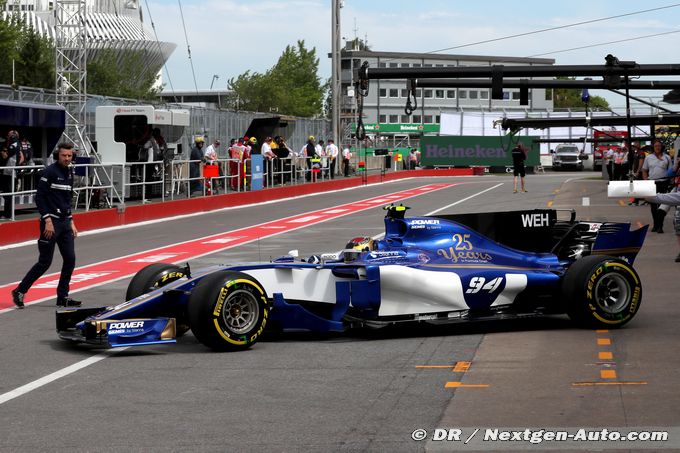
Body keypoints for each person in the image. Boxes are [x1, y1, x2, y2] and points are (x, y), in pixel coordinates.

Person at [11, 143, 81, 309]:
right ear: (58, 155)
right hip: (51, 223)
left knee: (70, 259)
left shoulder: (70, 172)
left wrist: (71, 221)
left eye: (69, 156)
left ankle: (62, 296)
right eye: (64, 155)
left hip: (65, 223)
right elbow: (40, 198)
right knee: (45, 262)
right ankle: (20, 291)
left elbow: (66, 199)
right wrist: (47, 220)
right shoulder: (48, 172)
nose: (66, 158)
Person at [642, 140, 673, 233]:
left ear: (662, 147)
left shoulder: (667, 157)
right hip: (652, 183)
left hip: (663, 183)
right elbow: (644, 170)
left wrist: (670, 183)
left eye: (659, 146)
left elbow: (671, 171)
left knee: (661, 205)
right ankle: (655, 224)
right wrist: (645, 180)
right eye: (656, 146)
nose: (658, 147)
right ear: (653, 147)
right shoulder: (648, 158)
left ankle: (660, 226)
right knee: (653, 206)